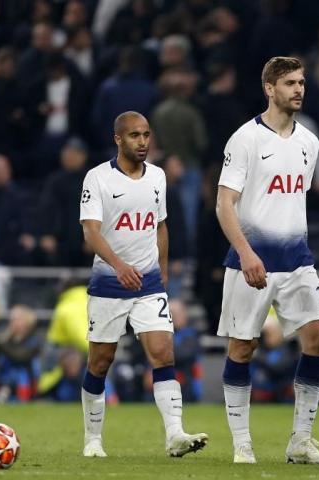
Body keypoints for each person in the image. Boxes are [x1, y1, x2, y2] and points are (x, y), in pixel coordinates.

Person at [216, 56, 319, 465]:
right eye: (289, 83)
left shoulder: (309, 141)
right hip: (252, 263)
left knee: (318, 339)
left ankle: (301, 441)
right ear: (269, 88)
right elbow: (224, 204)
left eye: (301, 82)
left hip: (297, 259)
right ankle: (242, 443)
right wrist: (246, 253)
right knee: (242, 348)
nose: (298, 89)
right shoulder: (245, 139)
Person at [78, 111, 208, 458]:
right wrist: (118, 266)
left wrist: (162, 270)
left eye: (147, 135)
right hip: (109, 284)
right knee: (100, 362)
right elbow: (90, 231)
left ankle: (175, 435)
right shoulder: (98, 178)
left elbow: (160, 225)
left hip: (148, 283)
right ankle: (92, 439)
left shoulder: (158, 177)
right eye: (135, 135)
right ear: (118, 139)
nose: (143, 142)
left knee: (163, 353)